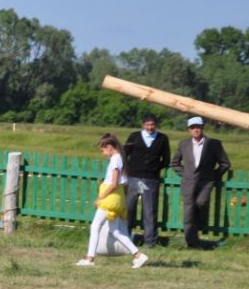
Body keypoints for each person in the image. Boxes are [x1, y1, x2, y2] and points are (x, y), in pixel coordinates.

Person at [76, 134, 149, 269]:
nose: (103, 154)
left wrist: (100, 197)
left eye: (103, 150)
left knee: (95, 226)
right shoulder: (120, 159)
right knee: (115, 231)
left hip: (110, 199)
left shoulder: (115, 160)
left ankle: (90, 259)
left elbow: (114, 183)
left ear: (109, 147)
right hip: (116, 199)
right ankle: (139, 255)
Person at [171, 116, 231, 249]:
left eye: (198, 127)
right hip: (188, 183)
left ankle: (197, 229)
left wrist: (213, 176)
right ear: (189, 130)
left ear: (202, 127)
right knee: (188, 212)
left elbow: (225, 164)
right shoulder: (184, 144)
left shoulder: (213, 144)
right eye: (193, 127)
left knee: (201, 203)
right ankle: (192, 243)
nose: (196, 130)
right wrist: (185, 174)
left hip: (206, 182)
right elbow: (175, 163)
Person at [122, 113, 171, 248]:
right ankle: (124, 239)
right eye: (148, 124)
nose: (150, 127)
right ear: (143, 125)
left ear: (156, 125)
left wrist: (154, 169)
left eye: (153, 124)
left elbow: (166, 160)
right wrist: (129, 169)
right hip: (133, 178)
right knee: (129, 209)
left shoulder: (162, 139)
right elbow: (125, 153)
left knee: (150, 211)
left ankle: (150, 242)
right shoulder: (134, 136)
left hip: (151, 180)